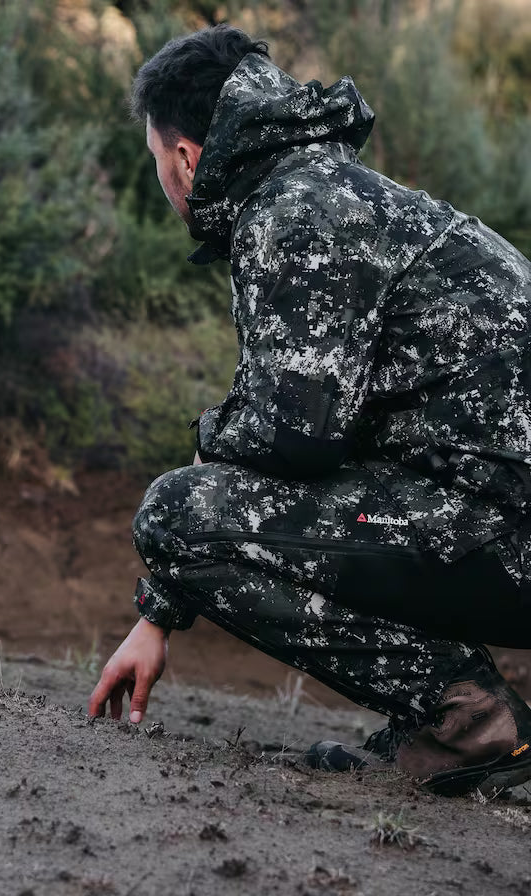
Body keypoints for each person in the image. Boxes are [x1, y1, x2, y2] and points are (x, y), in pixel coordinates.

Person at [88, 24, 531, 796]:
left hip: (505, 537)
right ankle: (458, 719)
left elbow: (294, 439)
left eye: (159, 161)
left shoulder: (294, 211)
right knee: (222, 500)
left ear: (185, 157)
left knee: (177, 513)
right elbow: (319, 437)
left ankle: (470, 724)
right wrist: (157, 610)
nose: (167, 180)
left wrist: (204, 444)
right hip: (491, 522)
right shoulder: (323, 189)